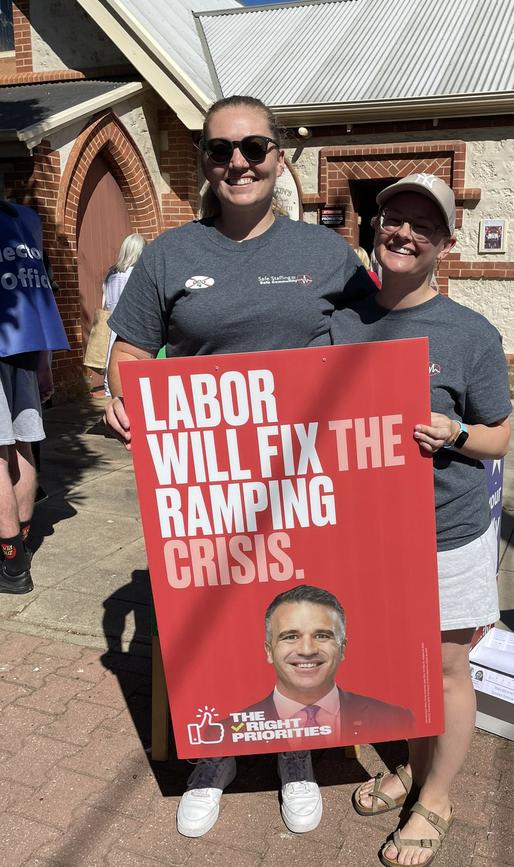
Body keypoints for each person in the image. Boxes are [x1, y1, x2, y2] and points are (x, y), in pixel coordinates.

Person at [103, 94, 375, 839]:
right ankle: (215, 752)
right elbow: (128, 350)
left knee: (300, 616)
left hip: (308, 477)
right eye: (221, 150)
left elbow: (375, 352)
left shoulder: (326, 256)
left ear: (278, 156)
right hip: (210, 479)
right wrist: (118, 393)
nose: (238, 163)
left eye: (254, 147)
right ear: (206, 162)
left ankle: (296, 752)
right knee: (214, 615)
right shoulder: (169, 256)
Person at [330, 174, 512, 867]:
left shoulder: (471, 334)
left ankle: (436, 797)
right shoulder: (344, 321)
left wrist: (455, 433)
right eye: (393, 218)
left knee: (444, 668)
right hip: (372, 531)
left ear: (446, 243)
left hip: (447, 531)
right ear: (377, 228)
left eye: (422, 225)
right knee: (401, 667)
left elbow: (499, 433)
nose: (403, 232)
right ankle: (410, 766)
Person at [0, 200, 69, 594]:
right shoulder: (23, 219)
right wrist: (44, 360)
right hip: (26, 342)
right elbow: (40, 286)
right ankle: (22, 542)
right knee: (22, 443)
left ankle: (12, 566)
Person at [248, 585, 415, 741]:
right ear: (269, 651)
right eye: (291, 637)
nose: (307, 650)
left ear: (342, 648)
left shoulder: (395, 720)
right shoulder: (229, 733)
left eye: (322, 636)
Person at [102, 234, 147, 396]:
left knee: (110, 359)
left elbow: (105, 302)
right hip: (132, 324)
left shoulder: (111, 274)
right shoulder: (137, 274)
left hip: (111, 322)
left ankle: (109, 393)